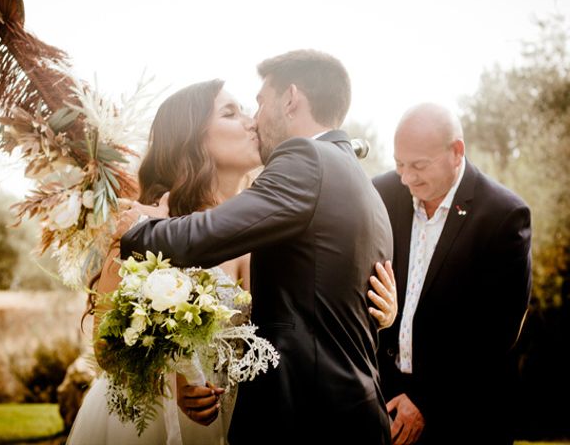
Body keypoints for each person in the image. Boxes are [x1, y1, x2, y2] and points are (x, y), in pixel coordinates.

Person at [67, 77, 397, 445]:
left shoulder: (276, 223)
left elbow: (309, 312)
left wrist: (378, 313)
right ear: (192, 136)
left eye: (246, 109)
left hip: (253, 420)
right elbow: (107, 351)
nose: (251, 121)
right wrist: (171, 380)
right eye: (230, 112)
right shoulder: (146, 225)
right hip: (157, 426)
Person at [373, 103, 532, 445]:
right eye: (400, 164)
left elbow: (497, 332)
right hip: (385, 405)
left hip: (465, 416)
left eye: (418, 166)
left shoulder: (504, 215)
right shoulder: (381, 193)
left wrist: (426, 401)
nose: (406, 178)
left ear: (456, 152)